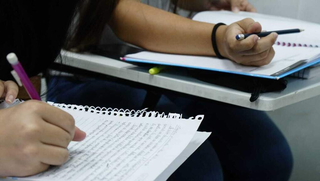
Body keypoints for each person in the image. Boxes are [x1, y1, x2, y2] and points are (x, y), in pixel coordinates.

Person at [0, 0, 292, 180]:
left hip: (160, 63)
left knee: (269, 158)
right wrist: (217, 39)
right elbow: (121, 10)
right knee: (197, 170)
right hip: (83, 71)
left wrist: (214, 29)